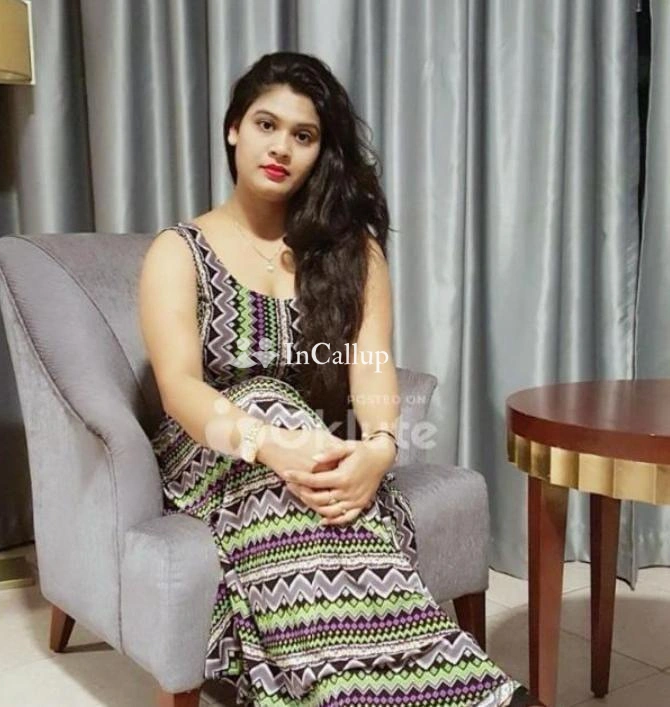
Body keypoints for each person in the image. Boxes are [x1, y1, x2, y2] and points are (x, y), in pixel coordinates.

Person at [139, 52, 540, 707]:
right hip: (212, 454)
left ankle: (369, 688)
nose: (281, 147)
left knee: (327, 473)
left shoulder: (353, 252)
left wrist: (379, 448)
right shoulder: (178, 252)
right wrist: (269, 443)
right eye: (266, 124)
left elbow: (371, 363)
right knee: (267, 399)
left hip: (313, 451)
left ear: (320, 152)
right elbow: (180, 388)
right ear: (234, 128)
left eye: (303, 135)